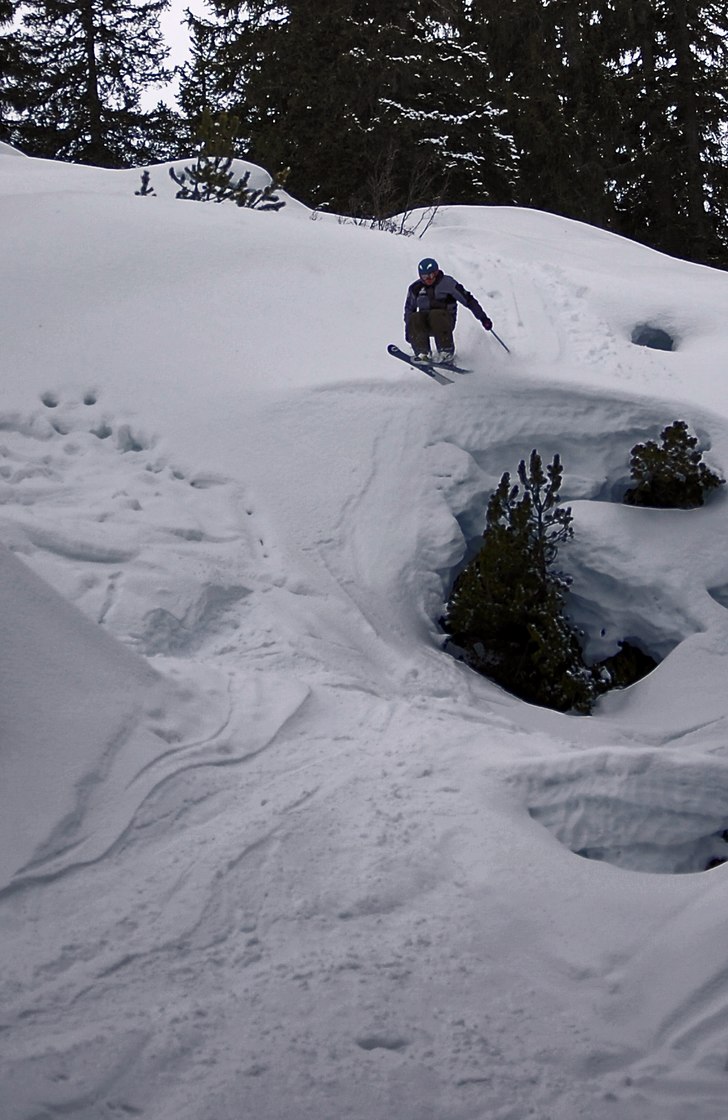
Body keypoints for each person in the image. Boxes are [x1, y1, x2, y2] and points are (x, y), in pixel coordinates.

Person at [404, 257, 493, 363]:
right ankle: (423, 354)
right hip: (425, 325)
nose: (428, 279)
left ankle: (446, 351)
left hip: (444, 322)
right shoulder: (415, 288)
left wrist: (483, 318)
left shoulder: (448, 283)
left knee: (435, 314)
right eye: (424, 277)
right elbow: (409, 309)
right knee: (415, 317)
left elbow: (468, 300)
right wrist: (409, 330)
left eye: (431, 275)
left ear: (436, 273)